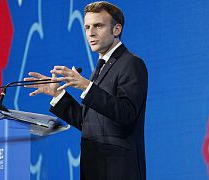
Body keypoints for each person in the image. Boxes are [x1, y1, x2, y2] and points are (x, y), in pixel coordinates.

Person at [25, 1, 148, 180]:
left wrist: (86, 86)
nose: (90, 33)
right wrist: (57, 94)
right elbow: (88, 123)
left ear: (116, 29)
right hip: (95, 168)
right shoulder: (102, 67)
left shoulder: (131, 63)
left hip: (119, 170)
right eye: (87, 27)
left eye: (98, 26)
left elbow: (126, 114)